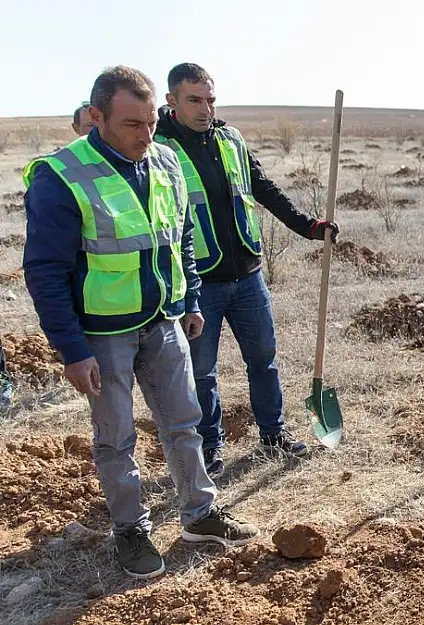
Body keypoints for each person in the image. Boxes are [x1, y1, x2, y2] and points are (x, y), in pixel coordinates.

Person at [22, 65, 259, 579]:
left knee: (184, 422)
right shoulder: (61, 175)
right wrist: (72, 349)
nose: (145, 134)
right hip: (103, 334)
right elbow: (45, 272)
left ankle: (200, 514)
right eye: (131, 124)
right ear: (95, 116)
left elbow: (182, 237)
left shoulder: (166, 160)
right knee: (116, 437)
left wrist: (191, 298)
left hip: (164, 318)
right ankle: (131, 532)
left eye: (151, 122)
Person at [154, 63, 339, 477]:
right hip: (199, 283)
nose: (205, 108)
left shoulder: (230, 138)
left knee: (264, 359)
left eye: (211, 99)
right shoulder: (158, 149)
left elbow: (263, 188)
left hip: (248, 277)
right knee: (202, 372)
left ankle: (272, 435)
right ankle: (210, 448)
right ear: (172, 102)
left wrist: (308, 226)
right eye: (194, 100)